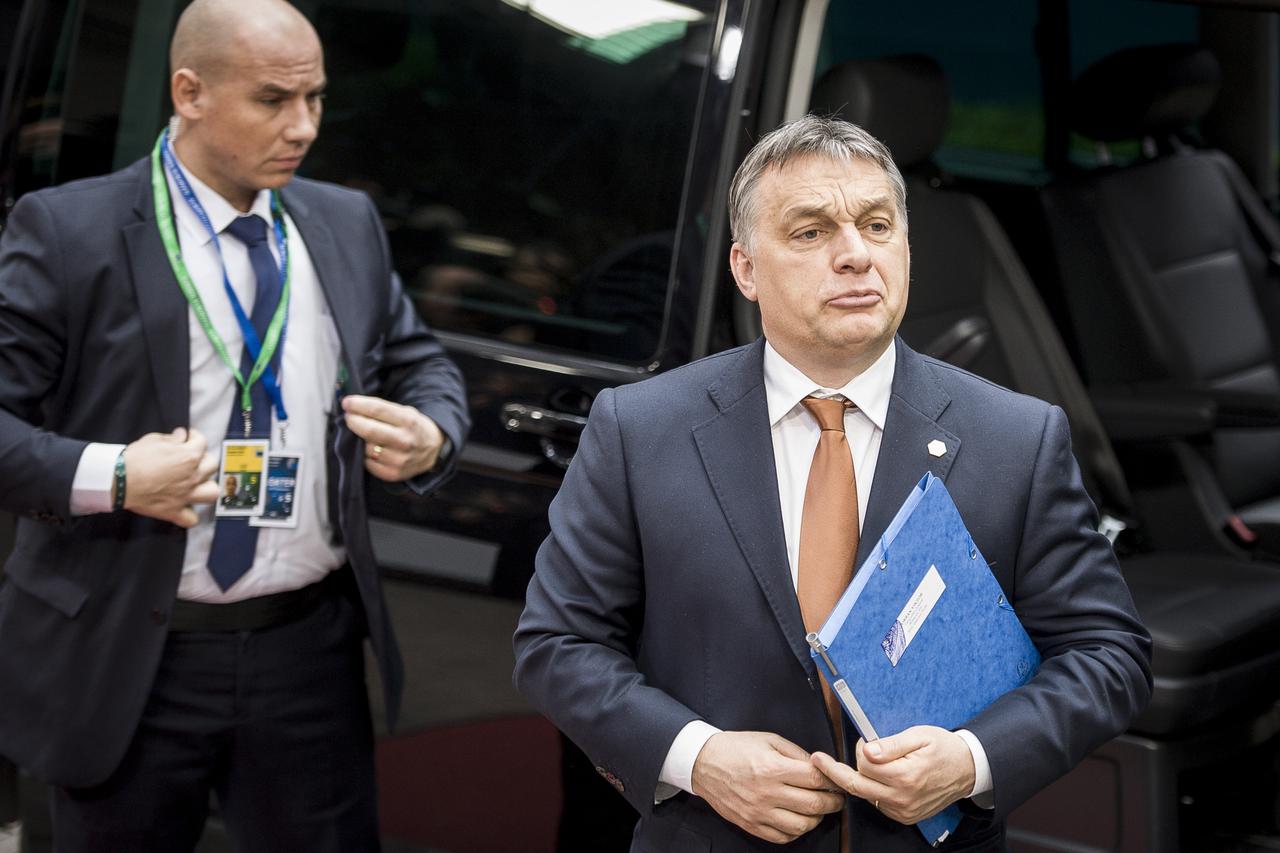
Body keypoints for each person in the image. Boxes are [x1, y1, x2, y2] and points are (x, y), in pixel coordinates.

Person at [513, 115, 1151, 852]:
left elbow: (1108, 653)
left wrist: (972, 760)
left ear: (906, 249)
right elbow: (558, 642)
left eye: (876, 225)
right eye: (812, 232)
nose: (854, 254)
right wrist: (699, 758)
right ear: (746, 268)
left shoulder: (1017, 438)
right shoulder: (640, 429)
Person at [0, 1, 468, 850]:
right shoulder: (71, 230)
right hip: (132, 648)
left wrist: (432, 430)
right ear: (189, 92)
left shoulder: (343, 221)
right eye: (272, 100)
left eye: (317, 99)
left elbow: (422, 360)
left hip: (307, 650)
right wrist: (111, 475)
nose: (303, 127)